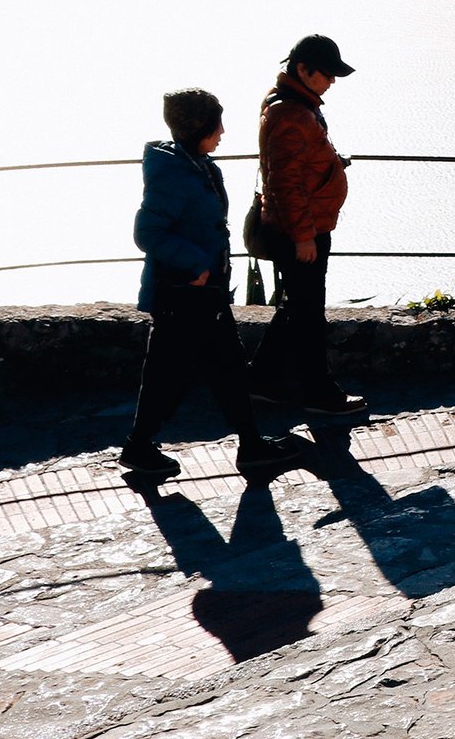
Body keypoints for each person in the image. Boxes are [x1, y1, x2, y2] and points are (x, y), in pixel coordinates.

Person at [121, 88, 298, 478]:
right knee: (187, 372)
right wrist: (197, 263)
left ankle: (247, 445)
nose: (223, 131)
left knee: (216, 367)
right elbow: (147, 232)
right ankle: (145, 447)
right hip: (184, 292)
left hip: (199, 292)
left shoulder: (196, 164)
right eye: (217, 123)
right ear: (199, 126)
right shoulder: (174, 173)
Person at [247, 35, 367, 415]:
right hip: (302, 231)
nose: (331, 81)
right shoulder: (291, 114)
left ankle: (261, 381)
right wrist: (303, 237)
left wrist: (331, 165)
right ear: (303, 70)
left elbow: (296, 168)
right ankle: (321, 395)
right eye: (327, 74)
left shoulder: (293, 105)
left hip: (304, 226)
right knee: (310, 314)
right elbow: (285, 183)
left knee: (296, 307)